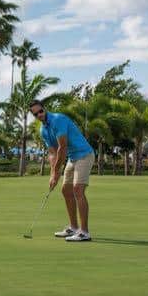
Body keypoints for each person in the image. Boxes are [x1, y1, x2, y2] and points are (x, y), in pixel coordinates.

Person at [30, 100, 95, 242]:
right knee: (66, 190)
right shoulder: (43, 130)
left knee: (78, 190)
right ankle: (73, 227)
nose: (39, 115)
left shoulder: (58, 120)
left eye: (40, 111)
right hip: (73, 158)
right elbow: (53, 153)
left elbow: (63, 147)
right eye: (35, 114)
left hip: (84, 154)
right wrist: (53, 175)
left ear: (44, 109)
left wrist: (57, 171)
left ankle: (84, 232)